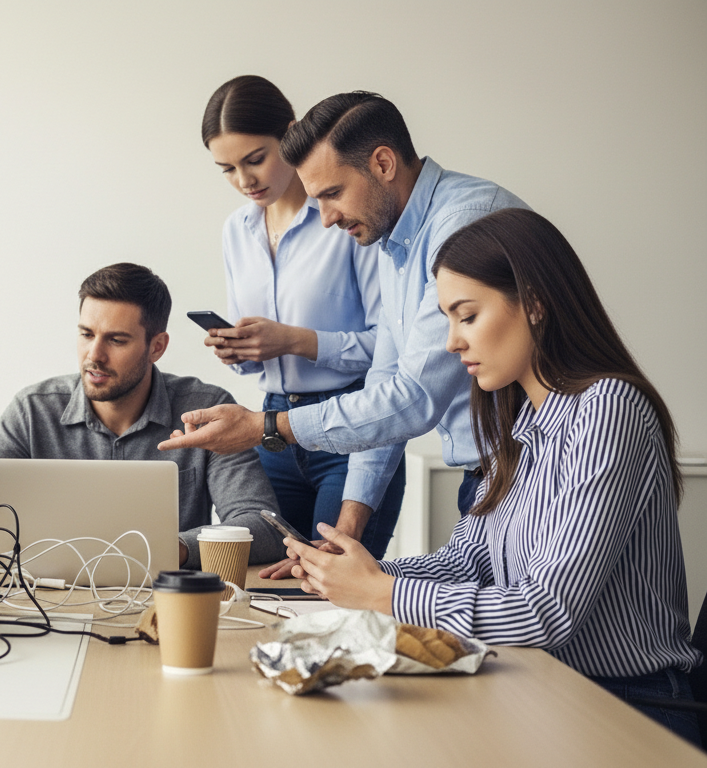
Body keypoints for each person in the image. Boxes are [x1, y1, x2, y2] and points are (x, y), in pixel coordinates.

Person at [282, 209, 702, 744]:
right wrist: (351, 574)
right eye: (447, 319)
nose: (453, 341)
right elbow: (465, 562)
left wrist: (380, 593)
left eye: (467, 316)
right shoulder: (520, 421)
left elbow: (546, 611)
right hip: (541, 689)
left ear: (534, 303)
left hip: (625, 707)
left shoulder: (609, 408)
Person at [161, 91, 528, 577]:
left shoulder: (460, 226)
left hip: (531, 465)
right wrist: (347, 529)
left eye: (333, 194)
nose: (328, 218)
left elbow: (413, 396)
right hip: (487, 470)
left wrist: (266, 426)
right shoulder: (395, 240)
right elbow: (388, 381)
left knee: (520, 635)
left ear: (382, 163)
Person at [0, 263, 284, 569]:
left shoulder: (208, 409)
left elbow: (264, 524)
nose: (95, 355)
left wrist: (172, 549)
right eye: (86, 334)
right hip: (46, 600)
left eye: (116, 340)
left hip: (160, 602)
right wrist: (26, 553)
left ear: (157, 347)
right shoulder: (32, 410)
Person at [199, 76, 406, 559]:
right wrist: (240, 351)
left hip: (350, 424)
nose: (244, 181)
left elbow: (392, 347)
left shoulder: (347, 214)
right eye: (226, 169)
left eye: (255, 159)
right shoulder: (237, 230)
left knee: (329, 581)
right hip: (270, 428)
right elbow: (257, 358)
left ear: (290, 136)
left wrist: (295, 340)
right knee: (261, 578)